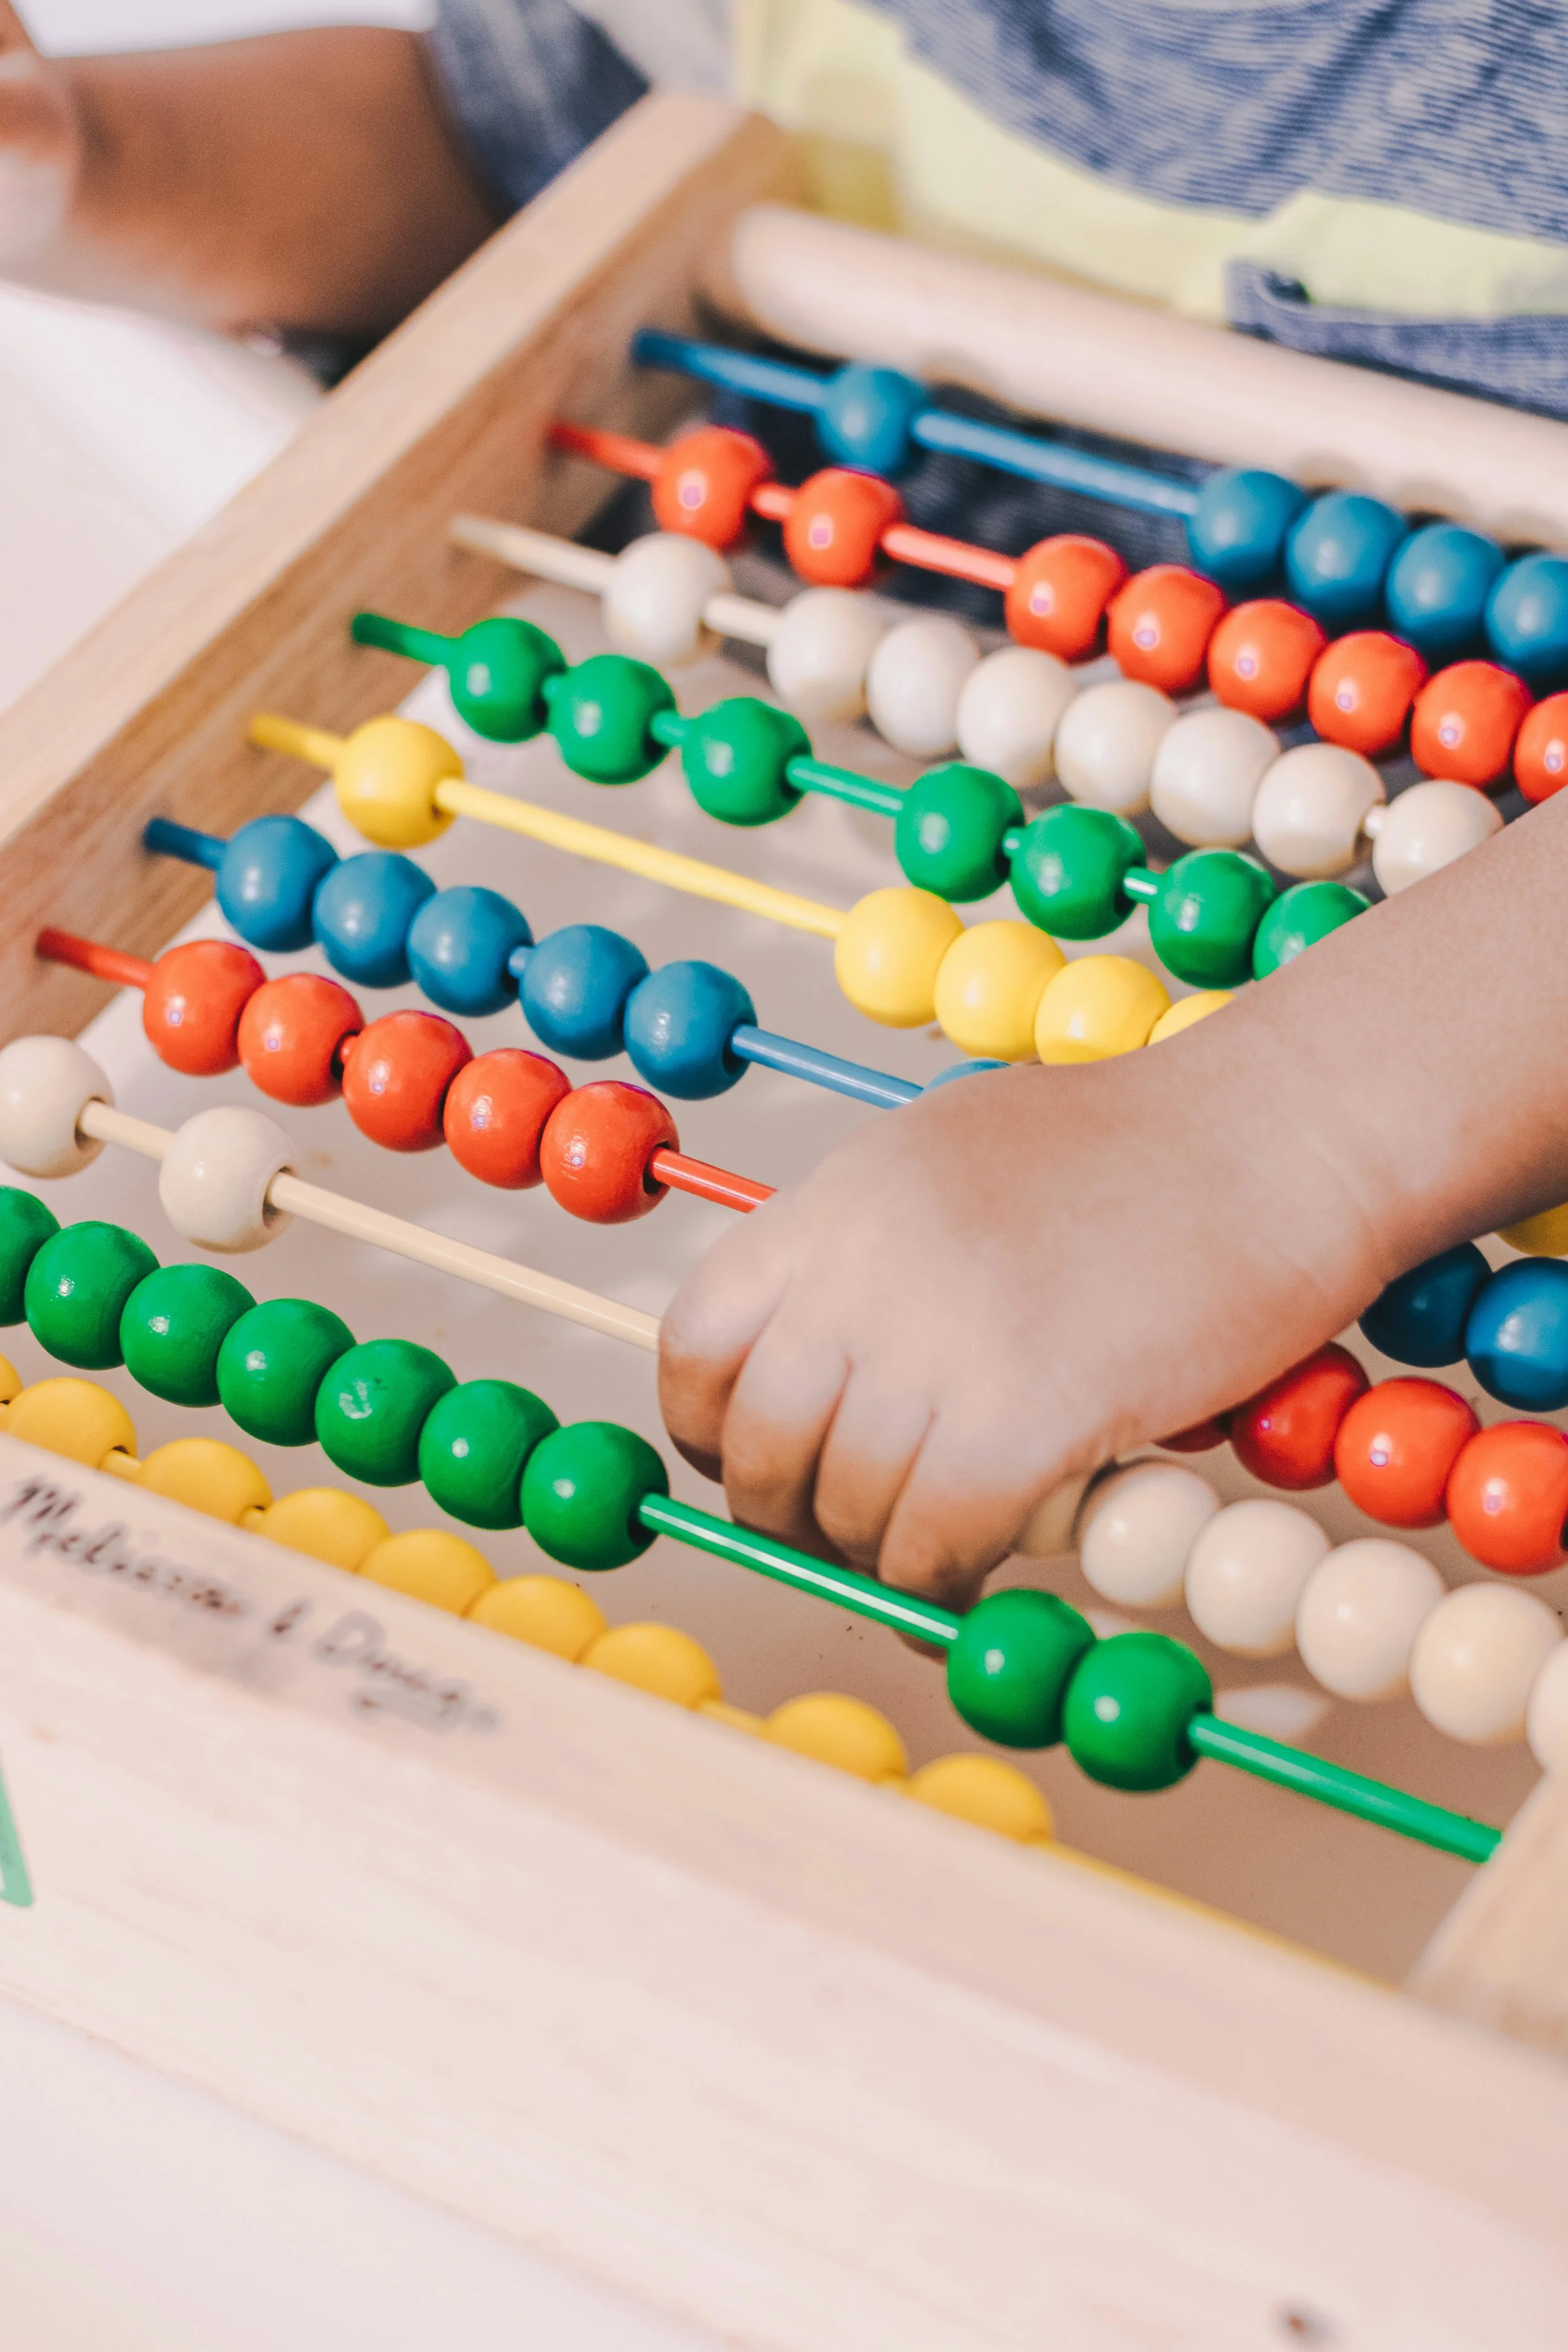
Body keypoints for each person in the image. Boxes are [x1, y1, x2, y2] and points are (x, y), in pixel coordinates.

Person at [4, 0, 1568, 1614]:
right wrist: (95, 163)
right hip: (851, 872)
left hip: (1433, 1085)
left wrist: (1278, 1139)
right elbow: (507, 158)